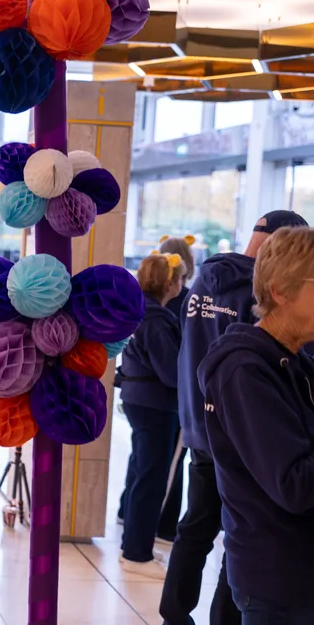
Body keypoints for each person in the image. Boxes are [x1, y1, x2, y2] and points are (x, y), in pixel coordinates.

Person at [159, 210, 309, 625]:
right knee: (236, 526)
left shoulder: (206, 281)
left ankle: (174, 609)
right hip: (236, 427)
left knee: (199, 524)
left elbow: (188, 349)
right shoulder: (253, 319)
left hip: (200, 420)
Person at [199, 227, 314, 625]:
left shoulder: (293, 361)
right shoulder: (244, 371)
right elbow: (295, 484)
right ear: (281, 290)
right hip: (279, 579)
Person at [118, 235, 196, 539]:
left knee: (142, 466)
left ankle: (133, 527)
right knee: (155, 473)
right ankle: (142, 544)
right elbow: (171, 371)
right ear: (170, 281)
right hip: (157, 401)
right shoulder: (160, 318)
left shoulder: (139, 310)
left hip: (138, 397)